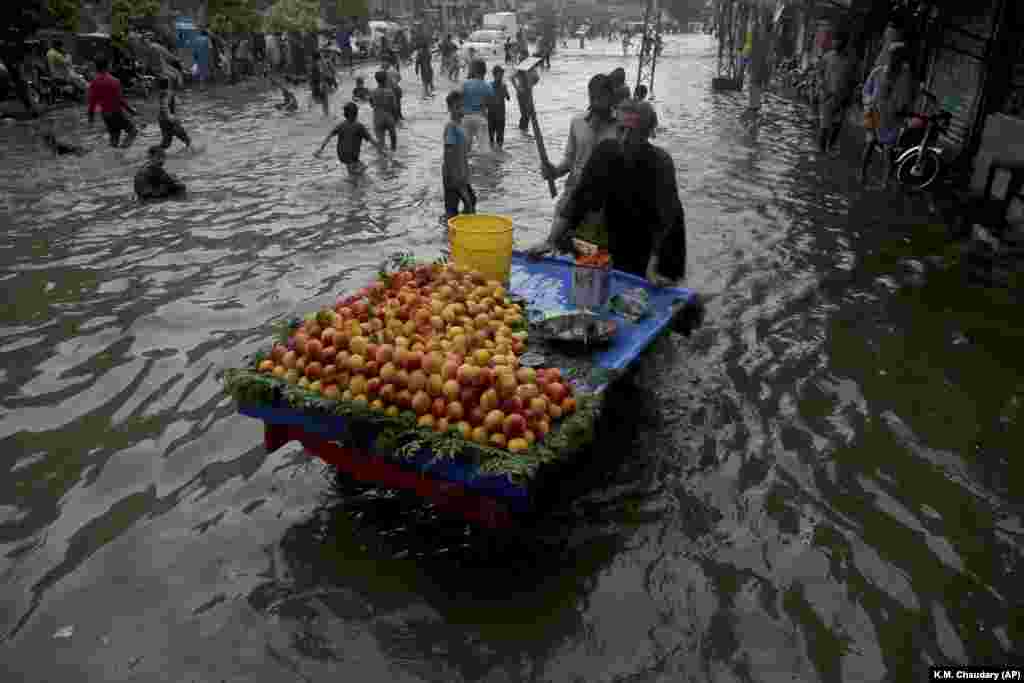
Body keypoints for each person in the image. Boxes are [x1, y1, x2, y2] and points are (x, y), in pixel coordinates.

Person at [556, 100, 686, 286]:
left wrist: (653, 267)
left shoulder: (661, 163)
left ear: (647, 133)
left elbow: (666, 220)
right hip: (619, 230)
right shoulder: (605, 151)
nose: (624, 138)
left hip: (658, 241)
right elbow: (579, 197)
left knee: (651, 286)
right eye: (621, 130)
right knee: (568, 244)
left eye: (632, 132)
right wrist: (552, 240)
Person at [526, 74, 620, 256]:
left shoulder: (621, 127)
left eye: (602, 97)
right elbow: (569, 161)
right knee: (559, 246)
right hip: (573, 195)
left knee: (595, 255)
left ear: (611, 97)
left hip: (604, 202)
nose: (598, 103)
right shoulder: (578, 123)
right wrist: (553, 171)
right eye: (594, 98)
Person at [859, 45, 917, 189]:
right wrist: (868, 103)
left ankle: (885, 181)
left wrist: (905, 110)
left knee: (888, 149)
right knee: (870, 144)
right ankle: (862, 173)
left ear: (901, 58)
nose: (893, 59)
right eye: (892, 55)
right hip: (875, 113)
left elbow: (910, 96)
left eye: (897, 56)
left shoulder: (906, 76)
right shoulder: (878, 72)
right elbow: (867, 90)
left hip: (893, 117)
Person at [314, 101, 385, 175]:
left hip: (341, 155)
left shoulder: (341, 125)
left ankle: (351, 179)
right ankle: (352, 182)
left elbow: (329, 136)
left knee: (358, 169)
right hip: (352, 156)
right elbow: (372, 140)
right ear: (356, 114)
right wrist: (382, 151)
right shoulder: (359, 126)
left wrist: (320, 149)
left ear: (345, 114)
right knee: (360, 172)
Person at [816, 33, 855, 157]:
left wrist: (848, 98)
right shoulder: (827, 57)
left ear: (844, 44)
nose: (835, 43)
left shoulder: (849, 61)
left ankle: (830, 147)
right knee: (824, 126)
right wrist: (822, 87)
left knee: (837, 125)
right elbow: (819, 73)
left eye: (838, 41)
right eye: (835, 41)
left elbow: (852, 81)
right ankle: (821, 152)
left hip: (842, 99)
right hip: (827, 97)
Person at [87, 57, 138, 149]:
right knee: (133, 131)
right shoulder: (114, 81)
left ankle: (113, 156)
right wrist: (131, 110)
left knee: (114, 136)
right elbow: (120, 100)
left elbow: (92, 102)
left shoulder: (93, 82)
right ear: (107, 66)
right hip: (116, 112)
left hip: (105, 114)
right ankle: (122, 149)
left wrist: (91, 117)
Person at [443, 90, 475, 218]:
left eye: (462, 106)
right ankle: (450, 231)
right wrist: (453, 176)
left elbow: (463, 151)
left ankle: (457, 228)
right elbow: (449, 151)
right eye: (457, 107)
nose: (461, 109)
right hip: (453, 174)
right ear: (450, 109)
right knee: (454, 208)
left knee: (470, 201)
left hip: (461, 172)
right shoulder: (451, 127)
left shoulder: (461, 126)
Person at [459, 59, 493, 153]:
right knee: (484, 148)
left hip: (465, 117)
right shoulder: (487, 86)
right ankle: (484, 167)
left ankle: (466, 166)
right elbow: (490, 103)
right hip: (480, 117)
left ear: (473, 70)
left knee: (465, 148)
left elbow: (458, 98)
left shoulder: (465, 84)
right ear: (484, 71)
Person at [157, 77, 191, 150]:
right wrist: (173, 119)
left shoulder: (162, 93)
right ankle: (190, 153)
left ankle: (155, 152)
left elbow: (165, 106)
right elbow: (165, 107)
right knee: (186, 139)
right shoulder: (168, 94)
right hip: (170, 121)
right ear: (168, 84)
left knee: (166, 143)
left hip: (162, 120)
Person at [370, 70, 398, 151]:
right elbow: (394, 107)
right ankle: (393, 153)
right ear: (386, 80)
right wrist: (395, 118)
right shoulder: (389, 92)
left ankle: (382, 159)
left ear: (376, 80)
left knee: (381, 142)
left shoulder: (373, 92)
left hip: (377, 118)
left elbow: (371, 104)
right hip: (388, 117)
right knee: (393, 137)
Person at [487, 65, 510, 150]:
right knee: (490, 137)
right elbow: (485, 101)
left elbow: (508, 98)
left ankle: (499, 152)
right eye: (499, 74)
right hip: (491, 115)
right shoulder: (489, 86)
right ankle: (492, 154)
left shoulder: (503, 86)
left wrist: (505, 91)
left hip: (501, 115)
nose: (501, 77)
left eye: (502, 75)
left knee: (500, 138)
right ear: (494, 75)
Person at [511, 67, 539, 132]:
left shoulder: (531, 68)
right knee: (524, 114)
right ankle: (523, 130)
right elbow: (512, 78)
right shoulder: (520, 69)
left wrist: (532, 83)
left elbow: (537, 79)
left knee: (528, 113)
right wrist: (517, 88)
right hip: (521, 94)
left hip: (528, 93)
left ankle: (523, 131)